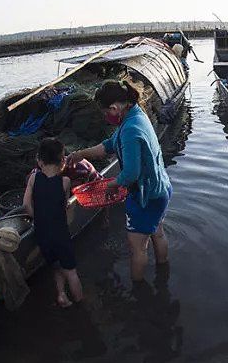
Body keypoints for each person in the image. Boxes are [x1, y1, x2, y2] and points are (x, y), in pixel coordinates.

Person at [67, 80, 172, 285]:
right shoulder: (135, 114)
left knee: (137, 248)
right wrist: (81, 154)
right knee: (157, 232)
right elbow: (109, 145)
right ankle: (163, 274)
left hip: (146, 196)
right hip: (160, 188)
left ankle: (138, 291)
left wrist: (104, 186)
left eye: (106, 113)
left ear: (114, 108)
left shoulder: (131, 129)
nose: (106, 118)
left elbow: (131, 174)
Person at [22, 137, 83, 308]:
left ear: (39, 161)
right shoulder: (65, 182)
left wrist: (39, 219)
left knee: (56, 267)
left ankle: (62, 295)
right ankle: (81, 308)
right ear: (62, 161)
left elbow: (26, 205)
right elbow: (63, 205)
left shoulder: (33, 178)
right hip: (60, 235)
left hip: (42, 234)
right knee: (71, 272)